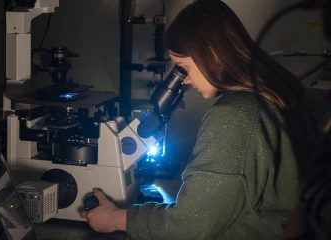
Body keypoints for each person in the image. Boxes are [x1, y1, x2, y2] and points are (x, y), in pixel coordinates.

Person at [80, 0, 320, 239]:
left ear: (211, 52)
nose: (183, 80)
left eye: (182, 67)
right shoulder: (275, 97)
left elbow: (189, 226)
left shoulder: (235, 115)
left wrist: (115, 218)